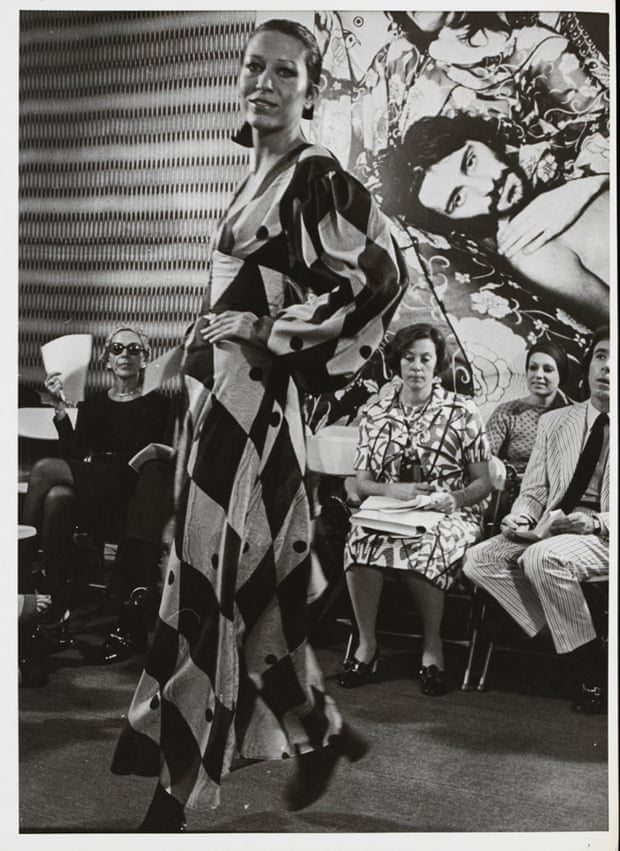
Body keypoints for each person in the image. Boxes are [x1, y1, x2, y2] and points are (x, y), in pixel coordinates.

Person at [110, 19, 407, 832]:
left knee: (200, 587)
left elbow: (382, 278)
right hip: (217, 410)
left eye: (286, 72)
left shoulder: (314, 173)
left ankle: (170, 792)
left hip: (253, 415)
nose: (265, 83)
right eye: (253, 67)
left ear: (311, 87)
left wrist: (269, 332)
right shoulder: (256, 173)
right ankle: (321, 732)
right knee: (263, 588)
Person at [339, 323, 492, 696]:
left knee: (426, 544)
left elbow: (483, 483)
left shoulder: (462, 410)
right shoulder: (376, 414)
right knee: (359, 541)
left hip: (450, 513)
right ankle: (366, 644)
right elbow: (361, 482)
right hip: (390, 511)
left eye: (426, 358)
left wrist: (453, 499)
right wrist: (392, 489)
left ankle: (432, 646)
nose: (417, 367)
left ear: (438, 363)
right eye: (409, 358)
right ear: (397, 361)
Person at [463, 327, 610, 714]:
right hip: (553, 526)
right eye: (600, 356)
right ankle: (580, 641)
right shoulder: (557, 421)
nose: (607, 368)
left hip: (604, 531)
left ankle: (590, 669)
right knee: (480, 559)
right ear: (588, 365)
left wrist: (595, 524)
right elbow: (534, 491)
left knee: (542, 558)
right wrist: (519, 516)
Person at [21, 326, 176, 664]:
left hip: (135, 489)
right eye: (118, 349)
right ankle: (56, 605)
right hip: (98, 488)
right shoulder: (93, 404)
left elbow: (164, 457)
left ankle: (22, 568)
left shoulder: (160, 404)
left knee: (46, 469)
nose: (125, 355)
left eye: (133, 350)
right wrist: (61, 411)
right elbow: (76, 454)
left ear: (144, 359)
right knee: (58, 496)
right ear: (107, 360)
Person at [379, 112, 609, 330]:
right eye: (458, 199)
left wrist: (588, 184)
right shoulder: (531, 250)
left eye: (470, 162)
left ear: (478, 140)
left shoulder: (554, 141)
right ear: (451, 222)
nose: (487, 186)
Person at [485, 340, 570, 476]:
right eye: (533, 368)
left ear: (560, 375)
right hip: (511, 489)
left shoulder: (572, 419)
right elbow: (484, 461)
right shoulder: (507, 412)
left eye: (548, 370)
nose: (538, 375)